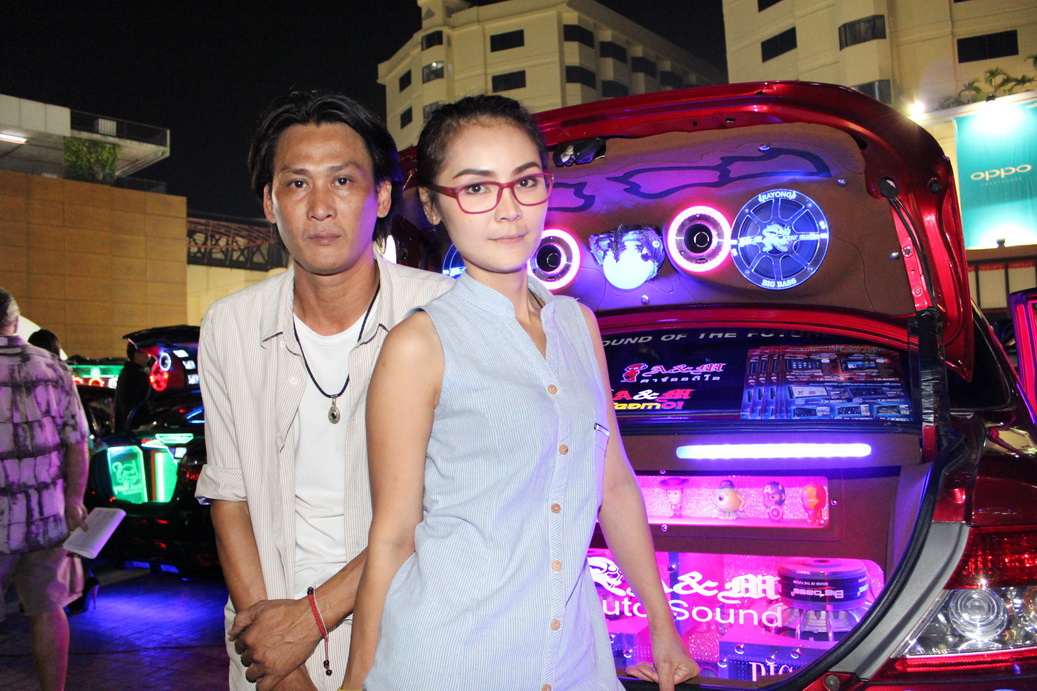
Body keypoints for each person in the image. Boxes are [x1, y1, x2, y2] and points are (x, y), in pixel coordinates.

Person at [343, 95, 700, 690]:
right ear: (432, 204)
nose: (509, 210)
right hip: (450, 660)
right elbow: (394, 534)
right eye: (476, 188)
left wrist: (662, 625)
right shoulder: (420, 343)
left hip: (572, 658)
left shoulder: (577, 325)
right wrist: (358, 681)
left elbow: (613, 484)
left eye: (526, 181)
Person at [194, 90, 452, 691]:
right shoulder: (231, 326)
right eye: (296, 183)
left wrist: (310, 619)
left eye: (341, 180)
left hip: (411, 631)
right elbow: (229, 495)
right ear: (269, 202)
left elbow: (451, 504)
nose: (319, 208)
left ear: (381, 196)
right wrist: (277, 657)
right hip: (268, 635)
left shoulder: (443, 313)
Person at [0, 288, 90, 691]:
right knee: (48, 610)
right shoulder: (53, 366)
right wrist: (73, 501)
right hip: (46, 517)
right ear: (14, 322)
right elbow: (77, 443)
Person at [113, 341, 152, 433]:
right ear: (136, 355)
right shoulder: (137, 376)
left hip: (125, 428)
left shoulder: (126, 372)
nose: (148, 357)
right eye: (146, 354)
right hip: (135, 429)